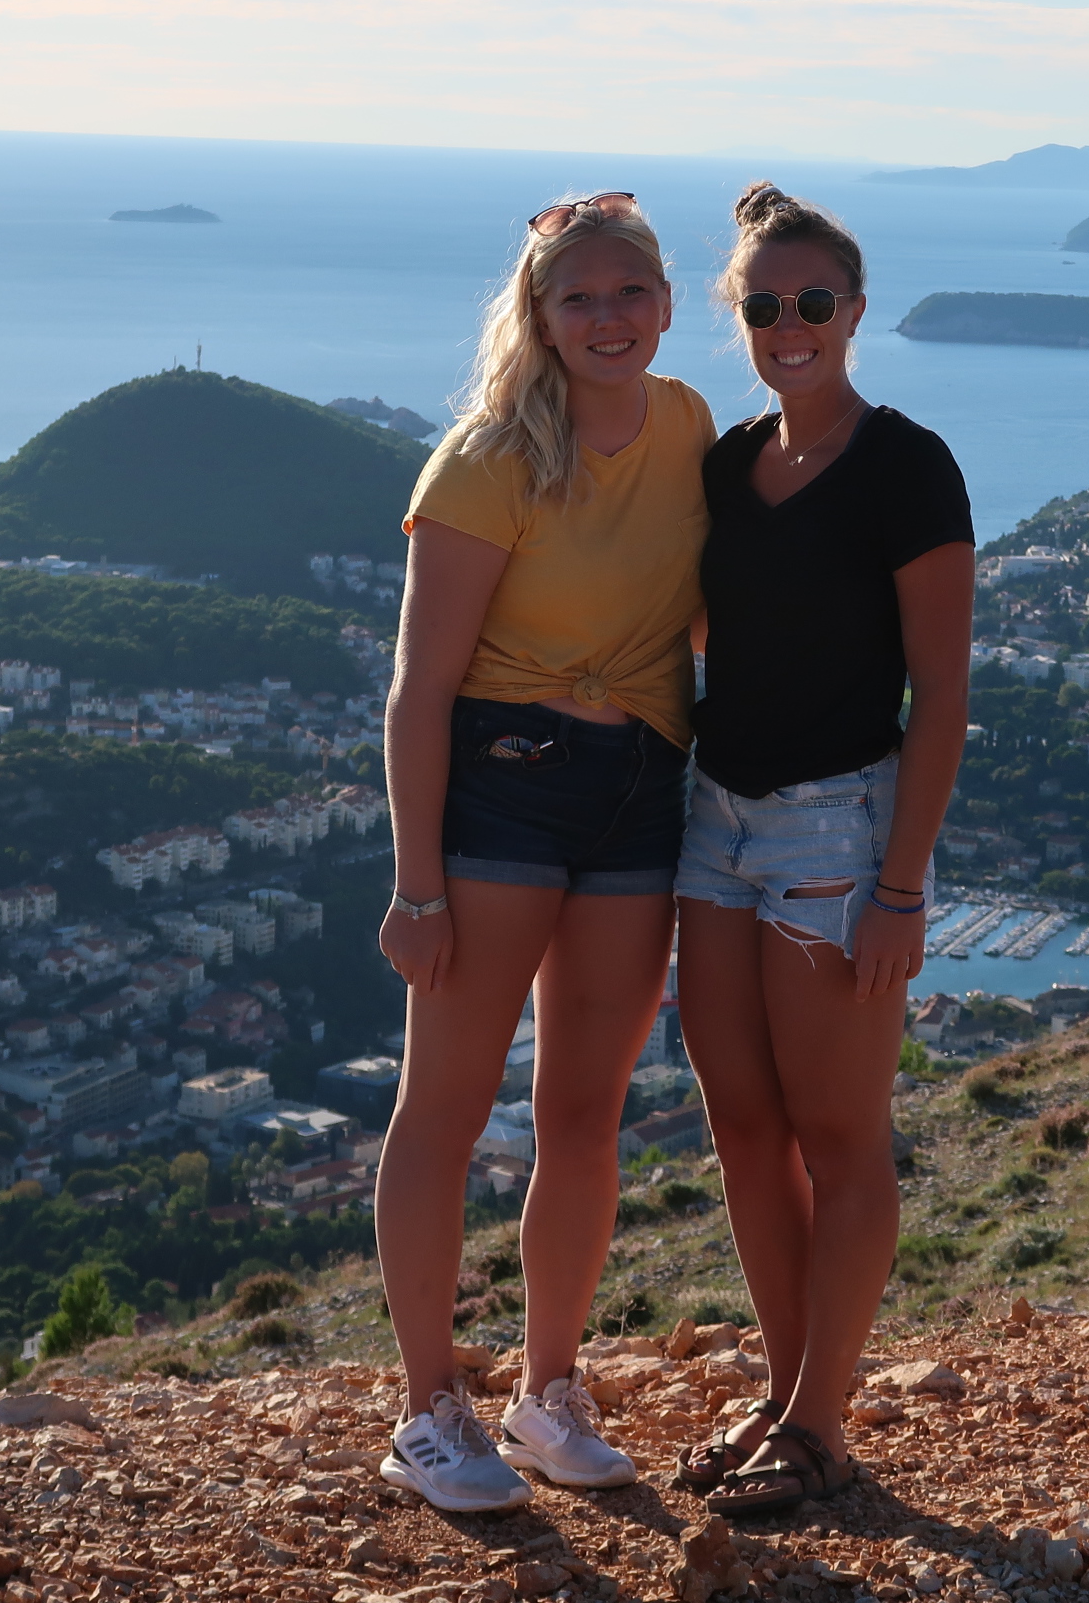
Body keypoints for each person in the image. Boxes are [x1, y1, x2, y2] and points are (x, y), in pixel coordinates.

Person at [372, 192, 718, 1511]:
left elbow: (699, 614)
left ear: (666, 304)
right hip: (506, 787)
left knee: (584, 1112)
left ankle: (547, 1393)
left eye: (630, 291)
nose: (608, 316)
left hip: (642, 786)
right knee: (448, 1109)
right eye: (580, 297)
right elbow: (419, 689)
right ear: (541, 316)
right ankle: (426, 1413)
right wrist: (416, 885)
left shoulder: (689, 426)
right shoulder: (486, 461)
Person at [672, 183, 974, 1514]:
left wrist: (901, 887)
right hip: (714, 819)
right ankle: (787, 1396)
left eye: (811, 302)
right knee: (743, 1127)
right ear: (737, 315)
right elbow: (712, 633)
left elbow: (941, 697)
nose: (786, 325)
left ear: (854, 311)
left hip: (835, 831)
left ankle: (819, 1427)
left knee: (839, 1135)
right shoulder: (727, 465)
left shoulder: (908, 466)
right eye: (762, 306)